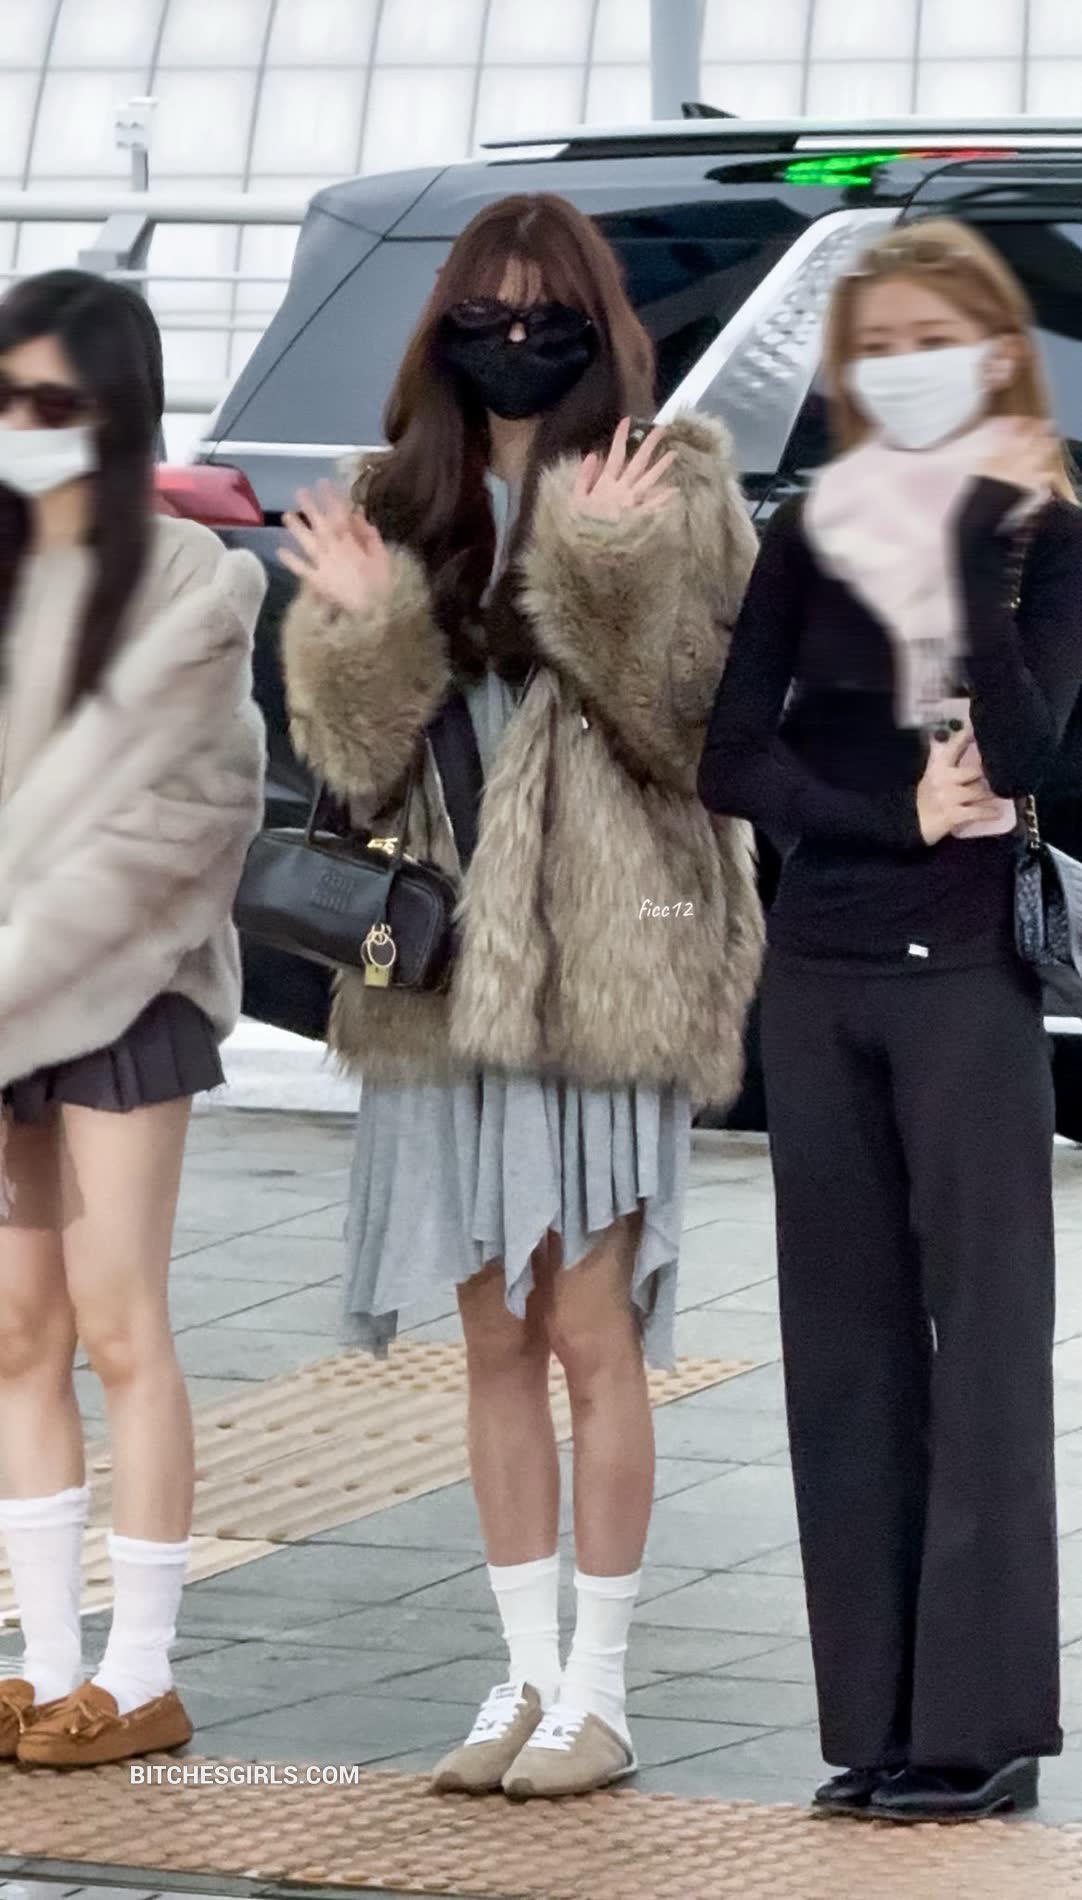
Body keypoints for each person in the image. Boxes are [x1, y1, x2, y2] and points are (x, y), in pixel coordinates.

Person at [280, 192, 762, 1800]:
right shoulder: (388, 496)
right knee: (491, 1335)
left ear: (598, 325)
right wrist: (359, 631)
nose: (512, 333)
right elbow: (353, 765)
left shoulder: (673, 480)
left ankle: (601, 1693)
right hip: (438, 982)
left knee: (587, 1327)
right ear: (442, 328)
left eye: (545, 308)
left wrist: (601, 563)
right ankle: (521, 1676)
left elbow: (692, 734)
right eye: (482, 308)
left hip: (604, 964)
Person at [699, 217, 1082, 1823]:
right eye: (879, 347)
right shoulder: (810, 531)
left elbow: (1035, 751)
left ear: (994, 354)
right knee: (842, 1355)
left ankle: (978, 1733)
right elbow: (730, 758)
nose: (906, 369)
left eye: (937, 340)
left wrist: (971, 556)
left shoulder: (1044, 535)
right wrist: (886, 820)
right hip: (818, 973)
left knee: (983, 1348)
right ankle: (871, 1724)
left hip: (966, 986)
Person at [0, 271, 266, 1769]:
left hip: (121, 997)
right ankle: (44, 1668)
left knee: (119, 1324)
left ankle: (143, 1670)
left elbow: (181, 817)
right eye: (4, 399)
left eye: (56, 403)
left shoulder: (189, 578)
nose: (24, 427)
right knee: (14, 1333)